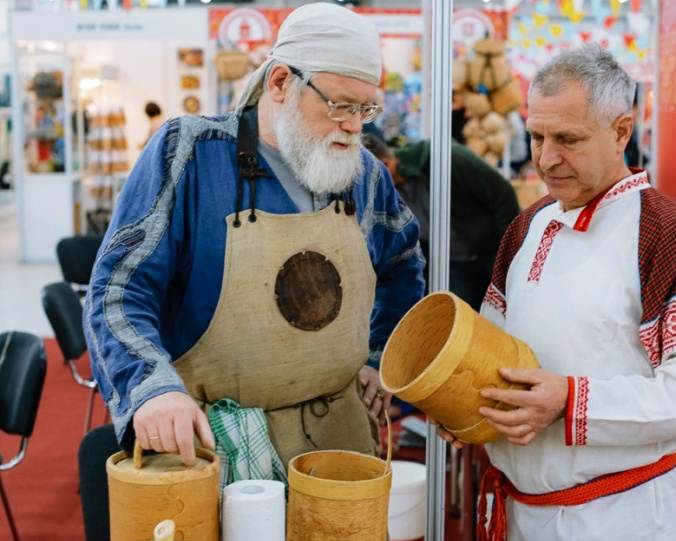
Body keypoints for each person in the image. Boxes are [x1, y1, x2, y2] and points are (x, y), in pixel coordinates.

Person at [84, 3, 425, 482]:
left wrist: (380, 357)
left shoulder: (364, 177)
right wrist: (152, 389)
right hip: (211, 445)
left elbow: (403, 266)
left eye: (365, 109)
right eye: (340, 105)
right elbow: (118, 289)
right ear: (281, 82)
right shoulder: (191, 155)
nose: (354, 126)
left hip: (337, 441)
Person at [440, 44, 676, 541]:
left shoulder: (674, 238)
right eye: (537, 137)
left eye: (568, 139)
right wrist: (465, 405)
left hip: (617, 531)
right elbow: (493, 346)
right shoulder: (527, 226)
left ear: (621, 131)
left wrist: (571, 400)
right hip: (519, 523)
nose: (545, 159)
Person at [363, 134, 520, 311]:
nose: (368, 189)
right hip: (451, 265)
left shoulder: (446, 158)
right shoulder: (388, 192)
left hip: (487, 256)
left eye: (370, 181)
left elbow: (503, 195)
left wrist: (507, 255)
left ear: (385, 165)